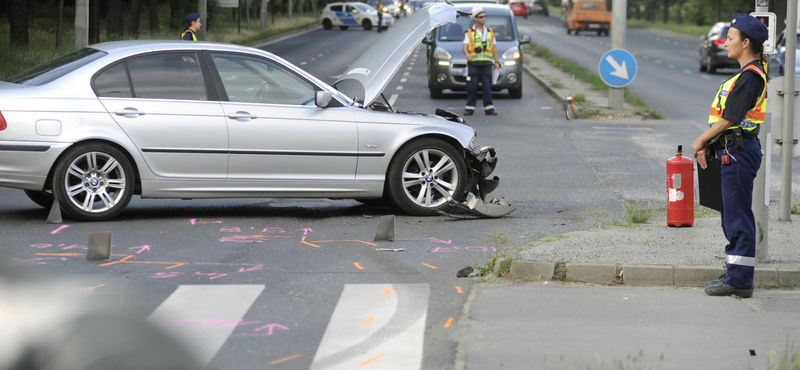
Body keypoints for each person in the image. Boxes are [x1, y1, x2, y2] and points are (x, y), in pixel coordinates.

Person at [692, 13, 768, 299]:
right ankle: (735, 271)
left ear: (746, 43)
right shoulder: (745, 74)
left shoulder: (750, 76)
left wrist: (701, 139)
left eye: (731, 38)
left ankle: (740, 280)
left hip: (738, 152)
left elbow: (730, 117)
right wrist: (710, 145)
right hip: (731, 150)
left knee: (737, 218)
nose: (725, 43)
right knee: (731, 216)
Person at [462, 7, 500, 116]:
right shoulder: (469, 33)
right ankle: (469, 109)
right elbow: (465, 47)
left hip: (487, 64)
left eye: (484, 16)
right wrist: (468, 55)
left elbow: (494, 48)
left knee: (487, 87)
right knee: (472, 87)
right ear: (475, 19)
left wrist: (496, 61)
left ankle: (489, 109)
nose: (484, 18)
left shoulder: (490, 32)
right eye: (481, 17)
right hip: (474, 64)